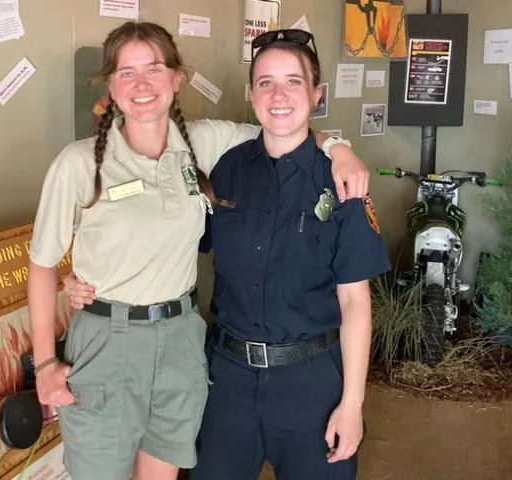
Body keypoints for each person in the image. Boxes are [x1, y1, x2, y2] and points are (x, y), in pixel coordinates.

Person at [29, 21, 371, 480]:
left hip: (181, 339)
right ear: (110, 84)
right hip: (116, 340)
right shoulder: (81, 162)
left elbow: (285, 126)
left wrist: (338, 146)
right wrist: (45, 361)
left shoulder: (204, 145)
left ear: (176, 78)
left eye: (154, 69)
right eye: (126, 73)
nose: (142, 85)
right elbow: (43, 262)